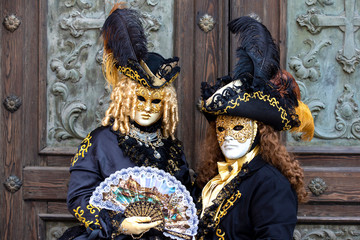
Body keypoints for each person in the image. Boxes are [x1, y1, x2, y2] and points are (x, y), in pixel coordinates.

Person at [60, 3, 192, 240]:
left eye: (156, 102)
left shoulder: (170, 147)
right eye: (140, 98)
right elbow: (79, 197)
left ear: (167, 106)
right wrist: (119, 224)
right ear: (124, 97)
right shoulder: (100, 141)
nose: (147, 108)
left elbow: (183, 199)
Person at [194, 16, 314, 239]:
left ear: (259, 131)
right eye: (221, 129)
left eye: (238, 127)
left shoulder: (270, 184)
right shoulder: (214, 180)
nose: (227, 136)